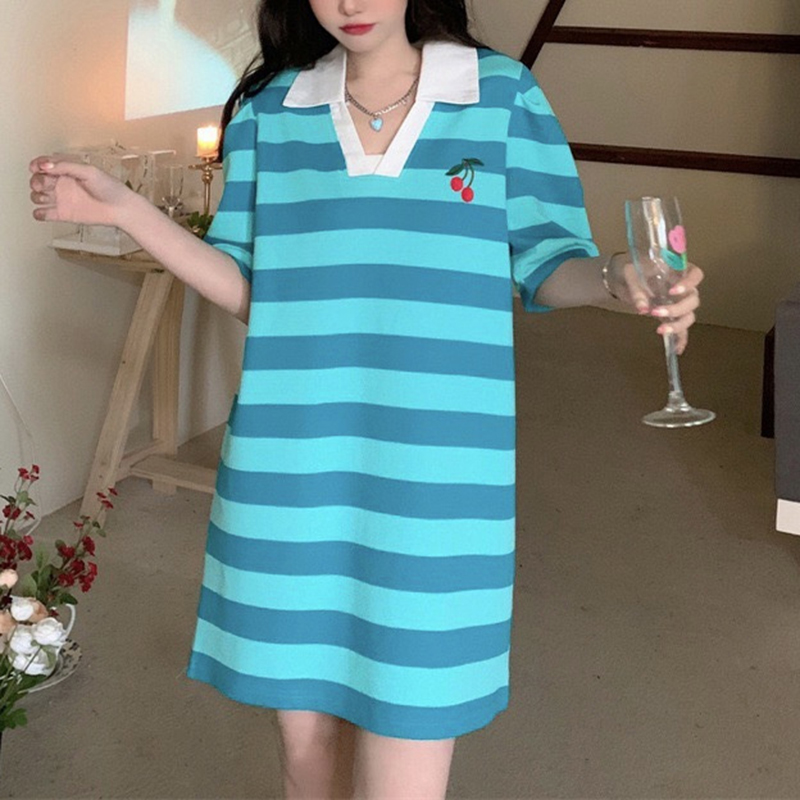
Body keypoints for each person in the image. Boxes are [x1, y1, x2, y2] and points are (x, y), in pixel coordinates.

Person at [29, 1, 705, 797]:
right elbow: (254, 289)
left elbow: (547, 261)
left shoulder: (501, 94)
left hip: (439, 479)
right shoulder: (272, 110)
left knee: (408, 742)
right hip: (290, 467)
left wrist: (618, 277)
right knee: (307, 750)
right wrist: (125, 210)